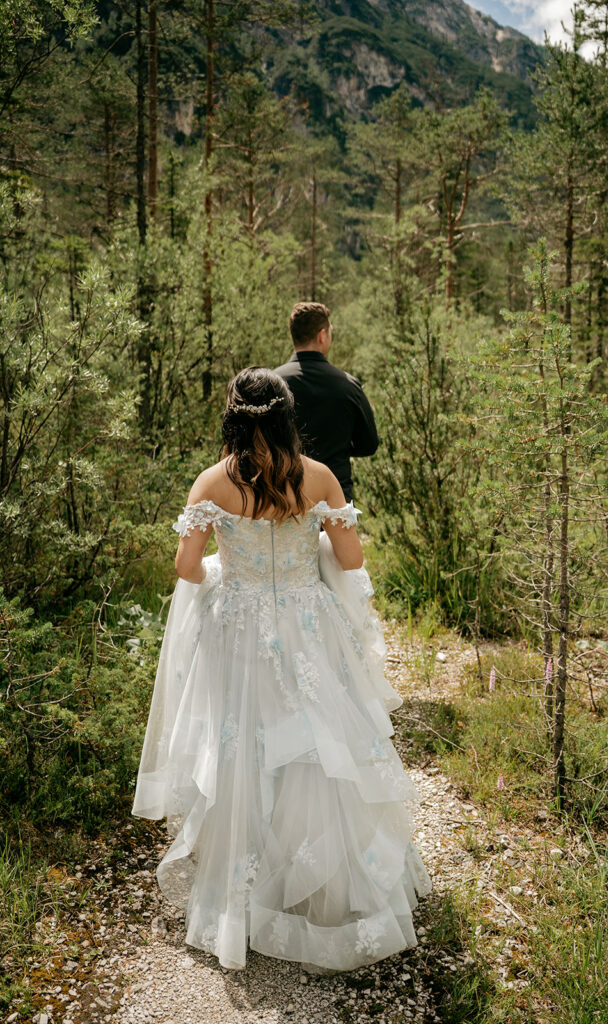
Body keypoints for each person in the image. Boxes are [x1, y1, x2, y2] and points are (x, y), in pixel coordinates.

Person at [132, 367, 431, 973]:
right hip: (307, 626)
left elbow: (188, 570)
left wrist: (226, 567)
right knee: (317, 746)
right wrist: (311, 544)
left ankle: (245, 894)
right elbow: (351, 557)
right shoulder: (317, 477)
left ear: (233, 416)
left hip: (238, 628)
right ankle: (323, 887)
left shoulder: (211, 484)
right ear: (286, 412)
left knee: (242, 749)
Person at [274, 302, 378, 501]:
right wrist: (338, 446)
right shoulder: (348, 385)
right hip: (335, 497)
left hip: (284, 497)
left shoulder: (272, 383)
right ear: (322, 335)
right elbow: (369, 444)